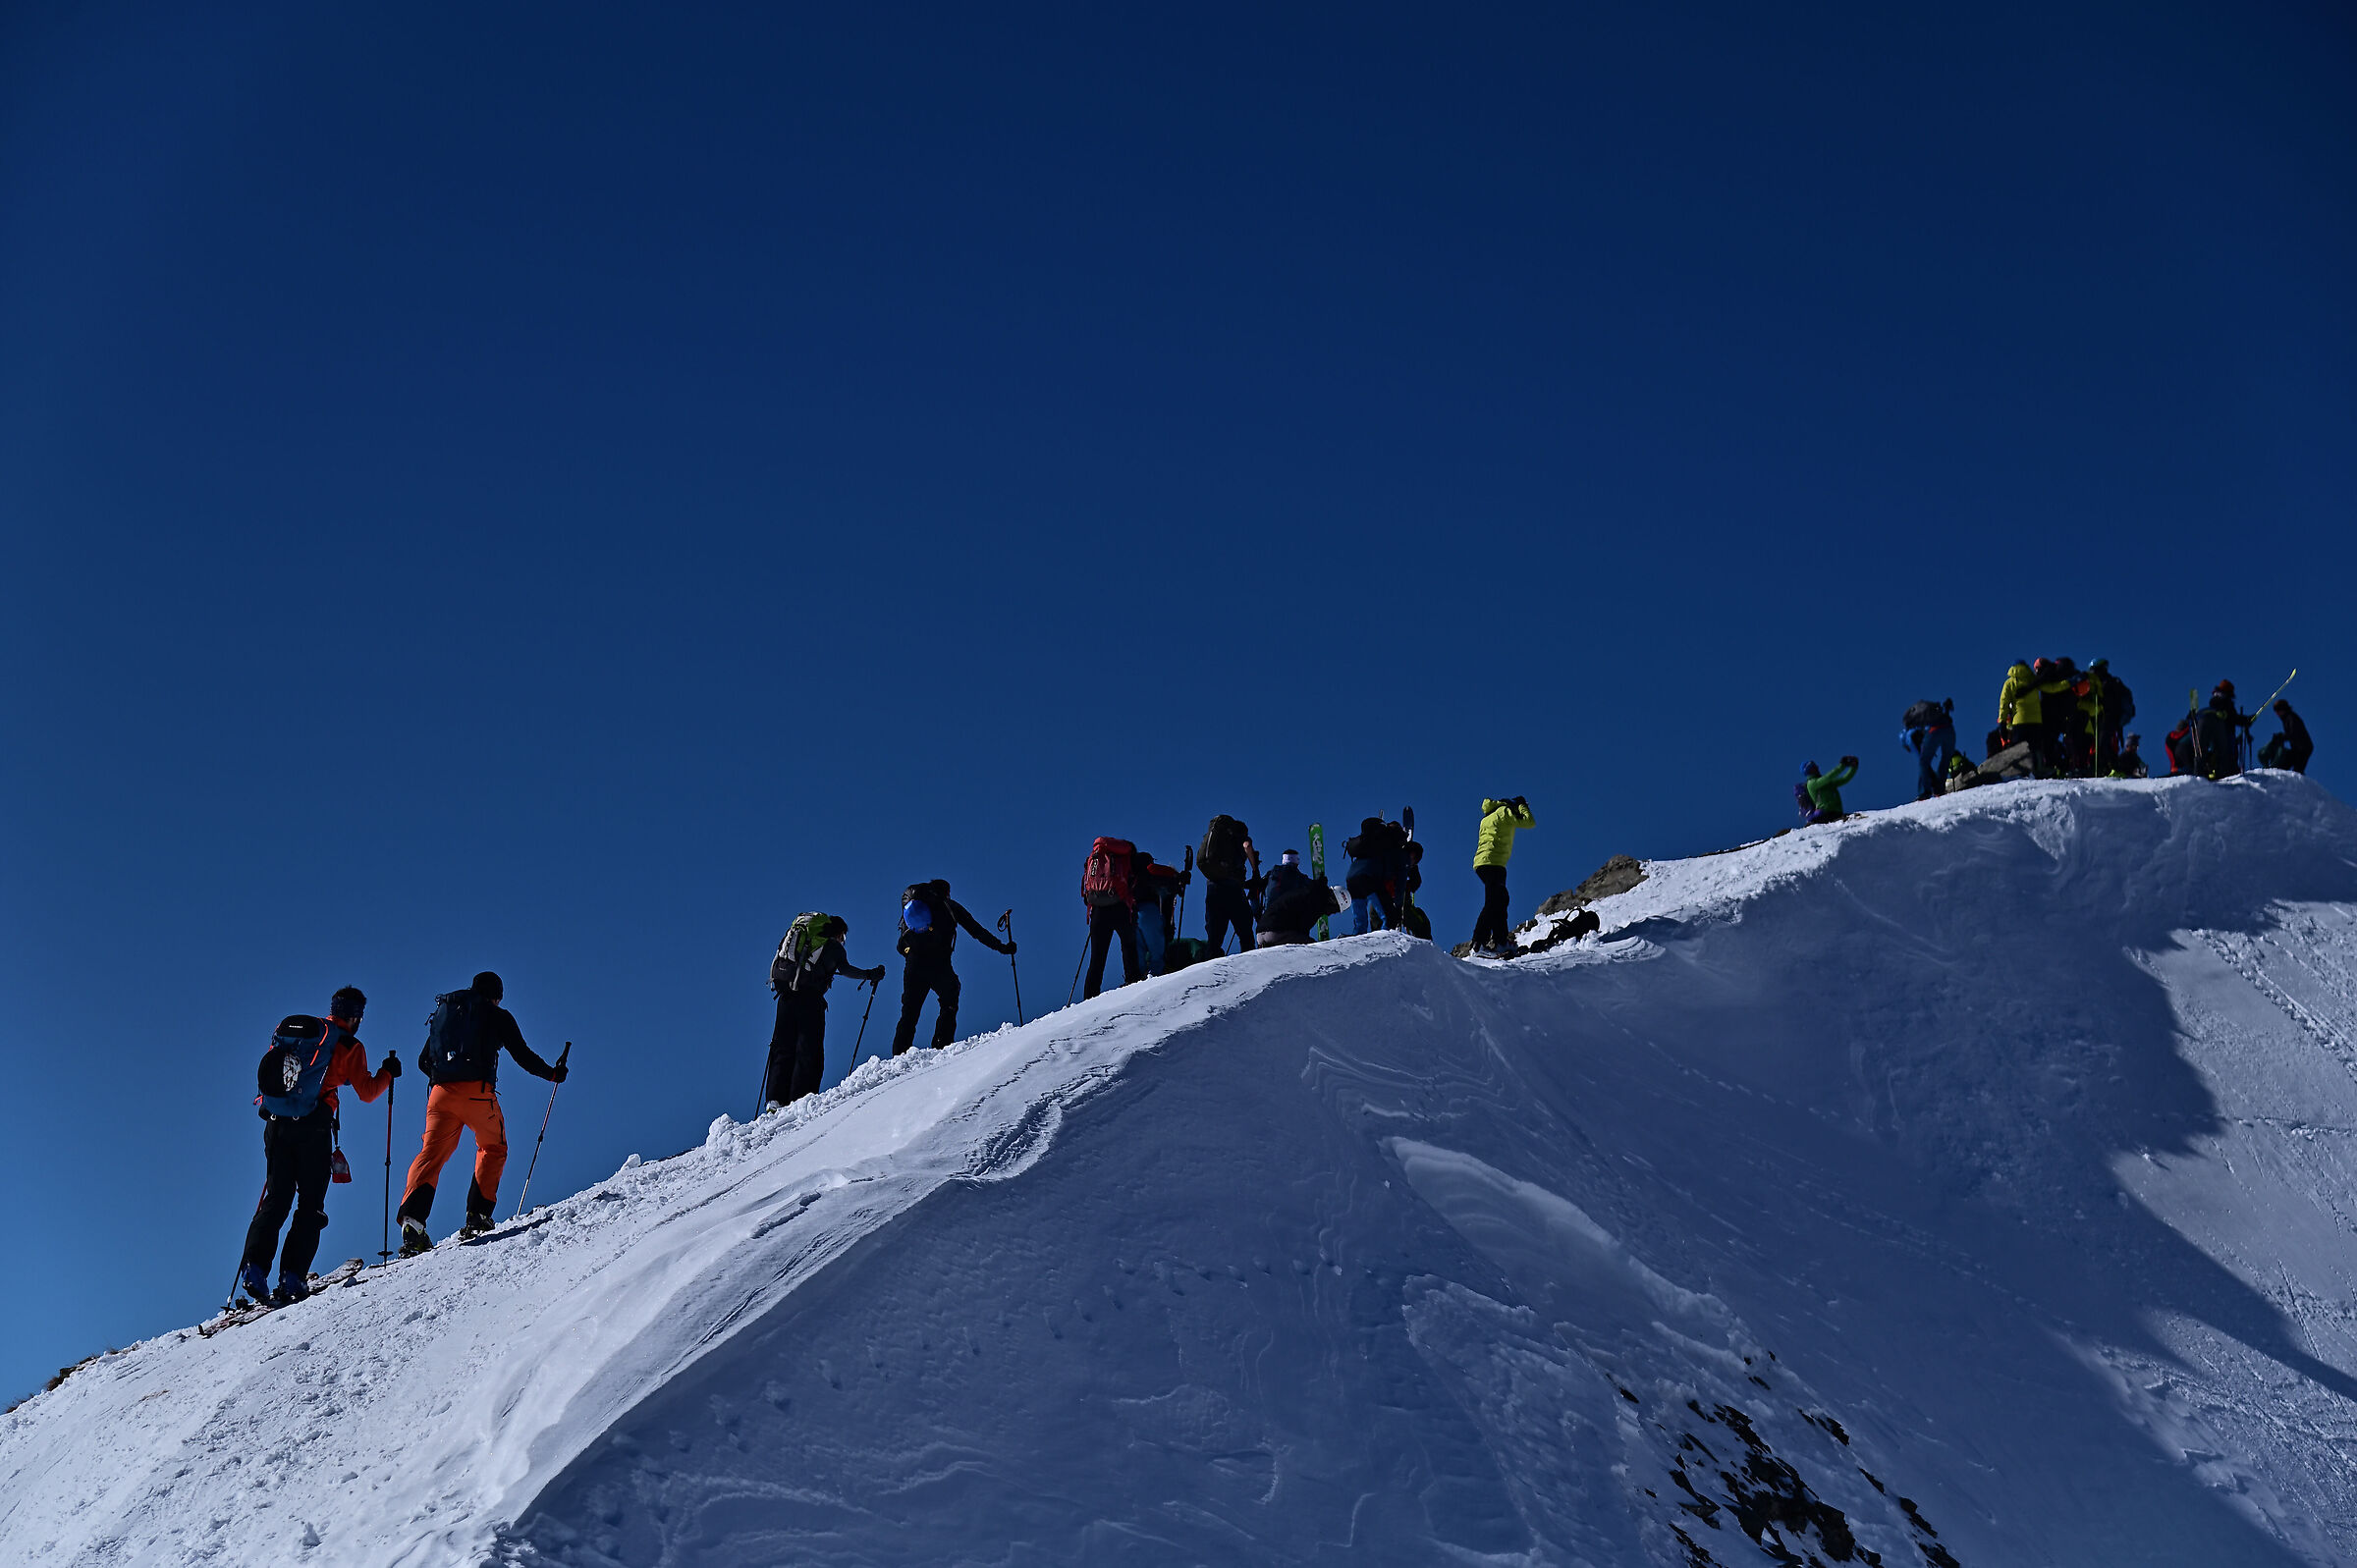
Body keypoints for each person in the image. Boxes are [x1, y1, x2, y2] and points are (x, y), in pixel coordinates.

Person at [239, 986, 399, 1306]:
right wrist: (387, 1073)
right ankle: (292, 1278)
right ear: (356, 1016)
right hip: (313, 1128)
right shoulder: (349, 1045)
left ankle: (254, 1270)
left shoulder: (299, 1034)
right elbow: (367, 1092)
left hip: (276, 1124)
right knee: (310, 1204)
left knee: (275, 1199)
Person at [397, 972, 569, 1254]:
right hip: (477, 1094)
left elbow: (422, 1061)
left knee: (430, 1155)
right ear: (496, 995)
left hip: (440, 1094)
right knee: (493, 1147)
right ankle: (477, 1216)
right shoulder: (497, 1015)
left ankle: (413, 1223)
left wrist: (445, 1079)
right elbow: (522, 1055)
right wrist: (552, 1074)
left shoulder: (447, 1013)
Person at [761, 918, 887, 1110]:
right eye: (843, 936)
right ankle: (800, 1099)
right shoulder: (833, 947)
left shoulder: (802, 943)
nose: (843, 940)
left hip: (785, 996)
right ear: (838, 933)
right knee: (809, 1049)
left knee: (782, 1046)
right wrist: (870, 974)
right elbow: (845, 969)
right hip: (810, 1001)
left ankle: (774, 1100)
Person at [891, 881, 1014, 1056]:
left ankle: (898, 1056)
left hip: (913, 966)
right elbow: (977, 931)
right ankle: (941, 1046)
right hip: (940, 965)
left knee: (909, 1012)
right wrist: (1002, 947)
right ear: (946, 892)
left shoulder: (912, 910)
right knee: (949, 1001)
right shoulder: (949, 906)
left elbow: (900, 946)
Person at [1469, 796, 1534, 955]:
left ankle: (1501, 941)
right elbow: (1528, 822)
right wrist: (1522, 806)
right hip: (1494, 863)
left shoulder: (1487, 818)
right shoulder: (1504, 812)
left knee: (1500, 900)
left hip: (1484, 863)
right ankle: (1478, 943)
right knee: (1493, 902)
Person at [1080, 837, 1143, 998]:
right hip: (1120, 906)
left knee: (1096, 959)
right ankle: (1133, 984)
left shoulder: (1094, 856)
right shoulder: (1127, 854)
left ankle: (1089, 998)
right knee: (1129, 946)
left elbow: (1085, 887)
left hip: (1098, 911)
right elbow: (1135, 879)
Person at [1196, 816, 1262, 956]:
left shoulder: (1220, 844)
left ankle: (1211, 969)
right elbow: (1247, 846)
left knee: (1215, 935)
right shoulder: (1241, 838)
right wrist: (1255, 870)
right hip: (1232, 888)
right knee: (1245, 931)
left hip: (1213, 886)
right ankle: (1249, 962)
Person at [1255, 849, 1338, 946]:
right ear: (1297, 861)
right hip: (1284, 924)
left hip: (1265, 922)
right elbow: (1311, 890)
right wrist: (1321, 886)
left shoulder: (1272, 874)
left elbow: (1258, 888)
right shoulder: (1298, 876)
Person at [1343, 816, 1405, 934]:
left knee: (1360, 920)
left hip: (1351, 877)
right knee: (1389, 917)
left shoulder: (1369, 842)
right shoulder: (1391, 844)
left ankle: (1357, 941)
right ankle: (1384, 943)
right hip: (1369, 877)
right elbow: (1399, 878)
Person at [1131, 851, 1189, 975]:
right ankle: (1156, 975)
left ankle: (1136, 977)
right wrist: (1178, 877)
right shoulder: (1153, 871)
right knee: (1157, 952)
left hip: (1131, 915)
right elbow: (1166, 873)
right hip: (1151, 916)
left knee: (1138, 951)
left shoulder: (1131, 876)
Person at [2189, 680, 2251, 781]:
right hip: (2223, 735)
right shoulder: (2226, 703)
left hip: (2203, 722)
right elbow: (2233, 718)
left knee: (2201, 750)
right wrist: (2246, 720)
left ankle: (2200, 773)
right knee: (2223, 753)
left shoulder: (2212, 704)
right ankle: (2222, 771)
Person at [1900, 700, 1959, 803]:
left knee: (1924, 762)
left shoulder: (1913, 724)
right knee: (1946, 759)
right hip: (1949, 730)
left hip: (1935, 730)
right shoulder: (1934, 709)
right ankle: (1939, 789)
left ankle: (1924, 792)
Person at [1998, 660, 2047, 776]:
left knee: (2019, 749)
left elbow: (2004, 704)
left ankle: (2021, 773)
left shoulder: (2009, 683)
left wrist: (2002, 723)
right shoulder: (2034, 681)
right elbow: (2051, 688)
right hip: (2036, 721)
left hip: (2019, 721)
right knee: (2036, 747)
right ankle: (2038, 770)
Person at [2088, 659, 2135, 775]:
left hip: (2109, 718)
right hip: (2099, 718)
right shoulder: (2100, 684)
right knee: (2099, 743)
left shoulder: (2111, 683)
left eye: (2095, 670)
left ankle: (2112, 768)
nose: (2093, 673)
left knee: (2103, 742)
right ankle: (2104, 768)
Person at [1795, 757, 1858, 825]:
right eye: (1814, 767)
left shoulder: (1825, 782)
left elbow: (1844, 779)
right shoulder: (1812, 783)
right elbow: (1828, 777)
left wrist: (1853, 767)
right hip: (1824, 813)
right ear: (1810, 770)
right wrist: (1842, 766)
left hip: (1836, 812)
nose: (1817, 767)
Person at [2260, 700, 2313, 773]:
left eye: (2278, 711)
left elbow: (2293, 733)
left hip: (2303, 748)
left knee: (2298, 768)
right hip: (2297, 748)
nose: (2277, 714)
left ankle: (2297, 781)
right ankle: (2279, 776)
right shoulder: (2286, 719)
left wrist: (2282, 737)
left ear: (2283, 709)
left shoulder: (2291, 717)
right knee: (2285, 763)